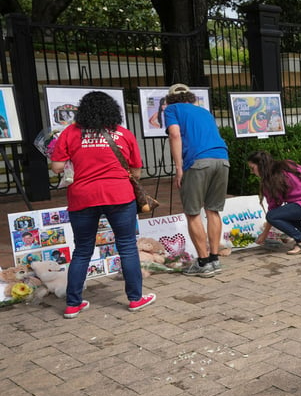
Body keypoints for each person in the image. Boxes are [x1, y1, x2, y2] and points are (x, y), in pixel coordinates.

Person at [49, 91, 156, 318]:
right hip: (119, 196)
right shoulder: (123, 134)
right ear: (112, 110)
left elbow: (57, 167)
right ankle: (135, 299)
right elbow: (136, 170)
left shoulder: (69, 133)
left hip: (82, 197)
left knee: (82, 250)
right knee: (127, 246)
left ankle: (73, 304)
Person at [164, 83, 230, 277]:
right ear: (190, 97)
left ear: (170, 98)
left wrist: (178, 168)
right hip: (222, 159)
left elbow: (174, 134)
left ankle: (203, 262)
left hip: (197, 161)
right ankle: (214, 259)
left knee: (192, 212)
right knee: (213, 210)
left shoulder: (172, 109)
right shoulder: (204, 112)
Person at [248, 151, 301, 254]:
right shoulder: (288, 164)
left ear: (260, 165)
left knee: (273, 216)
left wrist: (264, 234)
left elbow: (273, 212)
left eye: (252, 168)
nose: (252, 172)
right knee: (286, 213)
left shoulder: (271, 181)